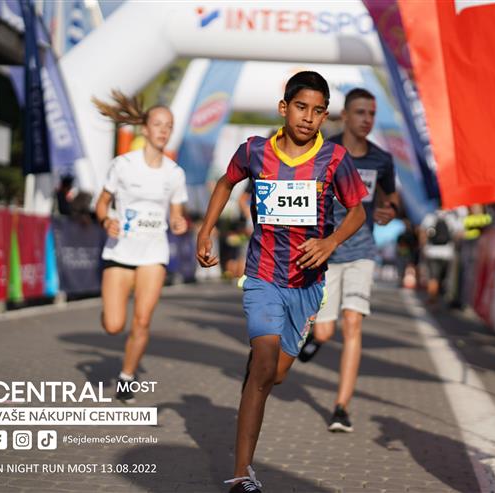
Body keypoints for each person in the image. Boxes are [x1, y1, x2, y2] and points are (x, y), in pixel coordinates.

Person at [195, 71, 367, 493]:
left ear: (326, 116)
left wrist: (330, 242)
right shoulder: (254, 151)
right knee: (263, 367)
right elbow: (226, 182)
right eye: (301, 107)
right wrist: (206, 230)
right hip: (263, 276)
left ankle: (258, 369)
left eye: (318, 111)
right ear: (284, 108)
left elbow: (358, 211)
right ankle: (242, 475)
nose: (308, 117)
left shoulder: (335, 159)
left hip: (307, 285)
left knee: (276, 374)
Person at [296, 88, 399, 433]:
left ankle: (341, 407)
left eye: (371, 114)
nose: (366, 120)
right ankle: (316, 338)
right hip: (326, 252)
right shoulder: (325, 151)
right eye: (360, 113)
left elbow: (391, 199)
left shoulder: (382, 159)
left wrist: (388, 211)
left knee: (352, 323)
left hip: (362, 251)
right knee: (326, 330)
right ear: (345, 115)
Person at [93, 90, 188, 403]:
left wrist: (179, 223)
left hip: (153, 254)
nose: (163, 130)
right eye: (158, 124)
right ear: (145, 129)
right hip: (120, 251)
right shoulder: (122, 165)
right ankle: (110, 311)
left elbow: (176, 214)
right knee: (113, 325)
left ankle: (126, 376)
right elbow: (101, 203)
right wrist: (106, 220)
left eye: (169, 126)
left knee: (143, 320)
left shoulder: (175, 173)